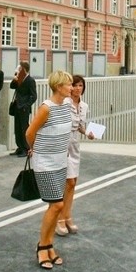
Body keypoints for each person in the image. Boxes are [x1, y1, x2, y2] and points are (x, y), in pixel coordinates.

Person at [25, 70, 73, 270]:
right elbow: (29, 132)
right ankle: (42, 246)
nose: (72, 87)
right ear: (58, 86)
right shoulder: (47, 108)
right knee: (57, 205)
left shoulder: (67, 105)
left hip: (61, 162)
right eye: (69, 84)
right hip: (44, 163)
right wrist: (34, 148)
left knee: (55, 207)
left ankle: (49, 244)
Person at [56, 74, 95, 237]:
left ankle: (67, 216)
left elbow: (79, 126)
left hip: (75, 144)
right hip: (63, 142)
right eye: (75, 85)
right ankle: (59, 219)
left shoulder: (84, 106)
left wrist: (87, 133)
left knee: (73, 183)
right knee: (67, 181)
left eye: (81, 86)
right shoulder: (64, 103)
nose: (78, 88)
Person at [10, 61, 37, 157]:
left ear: (24, 69)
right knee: (17, 128)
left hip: (24, 108)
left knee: (24, 128)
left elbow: (34, 96)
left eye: (20, 69)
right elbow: (12, 86)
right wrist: (15, 79)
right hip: (17, 106)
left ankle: (26, 148)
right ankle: (19, 147)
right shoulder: (20, 78)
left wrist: (26, 106)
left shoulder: (30, 80)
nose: (18, 70)